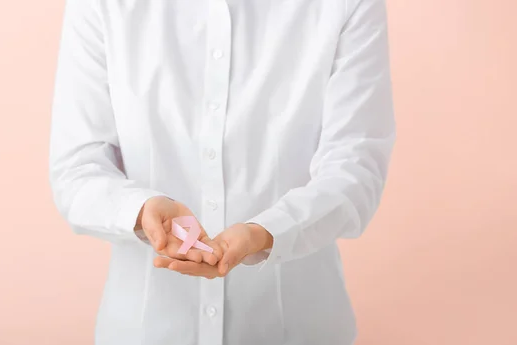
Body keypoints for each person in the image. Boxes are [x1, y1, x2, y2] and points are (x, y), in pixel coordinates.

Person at [49, 0, 395, 344]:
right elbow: (78, 168)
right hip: (147, 330)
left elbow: (355, 168)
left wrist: (267, 233)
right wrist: (141, 211)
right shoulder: (99, 5)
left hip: (297, 327)